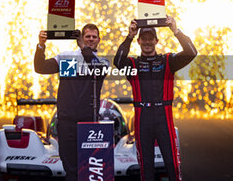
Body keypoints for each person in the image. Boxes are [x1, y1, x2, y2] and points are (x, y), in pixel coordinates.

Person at [113, 16, 197, 181]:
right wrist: (129, 36)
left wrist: (175, 30)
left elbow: (192, 52)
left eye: (150, 39)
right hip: (142, 117)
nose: (147, 42)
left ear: (156, 40)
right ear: (139, 41)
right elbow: (117, 61)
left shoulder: (167, 61)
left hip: (163, 115)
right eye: (144, 39)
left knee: (172, 164)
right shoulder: (132, 65)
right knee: (146, 166)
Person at [34, 24, 109, 181]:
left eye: (94, 37)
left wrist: (82, 47)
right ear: (82, 37)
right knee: (71, 170)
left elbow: (96, 67)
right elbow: (40, 68)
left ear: (99, 40)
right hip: (67, 122)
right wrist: (41, 45)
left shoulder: (102, 62)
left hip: (89, 122)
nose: (90, 39)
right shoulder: (66, 57)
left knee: (90, 169)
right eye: (87, 36)